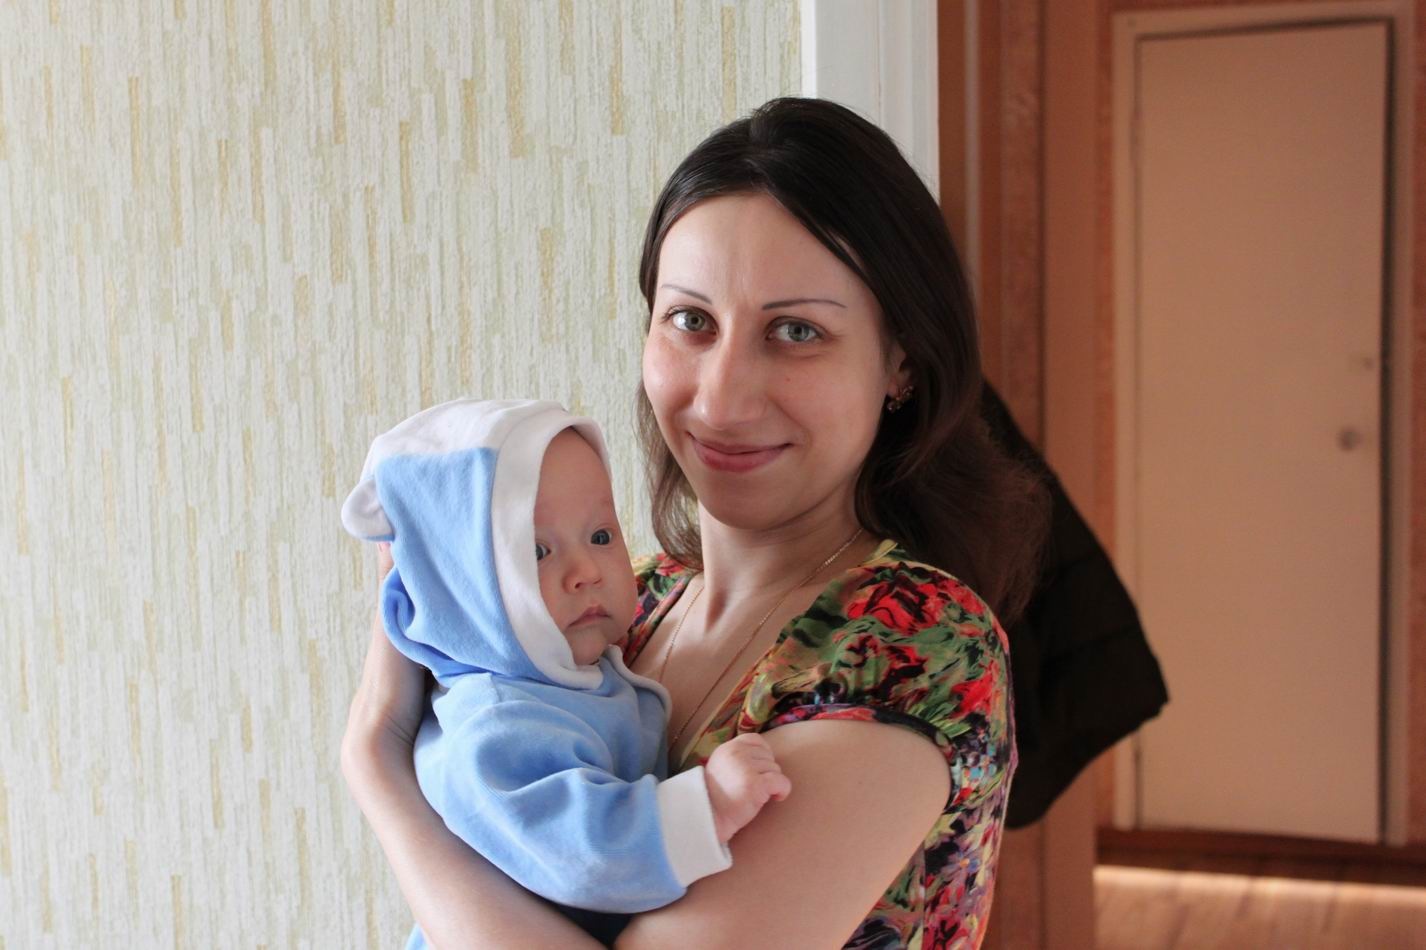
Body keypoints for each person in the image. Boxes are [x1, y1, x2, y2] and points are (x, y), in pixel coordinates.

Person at [341, 96, 1050, 949]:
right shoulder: (621, 605)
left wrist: (380, 768)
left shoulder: (910, 649)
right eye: (691, 321)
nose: (721, 399)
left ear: (901, 361)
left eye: (795, 331)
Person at [339, 398, 791, 947]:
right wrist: (707, 806)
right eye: (536, 550)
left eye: (600, 536)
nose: (585, 572)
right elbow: (580, 856)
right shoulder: (494, 724)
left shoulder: (573, 677)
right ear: (461, 587)